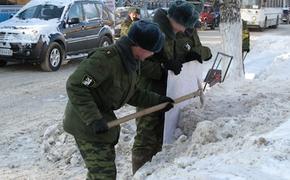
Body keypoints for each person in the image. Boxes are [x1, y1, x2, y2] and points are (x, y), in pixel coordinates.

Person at [63, 20, 174, 180]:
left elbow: (133, 93)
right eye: (152, 51)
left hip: (102, 119)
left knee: (101, 174)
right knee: (104, 175)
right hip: (85, 121)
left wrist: (158, 101)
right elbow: (76, 86)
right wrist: (93, 119)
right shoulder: (105, 60)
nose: (152, 55)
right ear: (139, 47)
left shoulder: (131, 62)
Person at [132, 0, 204, 174]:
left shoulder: (170, 31)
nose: (183, 31)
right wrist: (164, 69)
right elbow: (137, 64)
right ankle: (138, 174)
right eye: (184, 26)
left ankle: (151, 175)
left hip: (166, 91)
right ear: (176, 20)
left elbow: (172, 56)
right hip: (148, 91)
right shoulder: (152, 31)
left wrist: (182, 60)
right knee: (146, 138)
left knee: (159, 138)